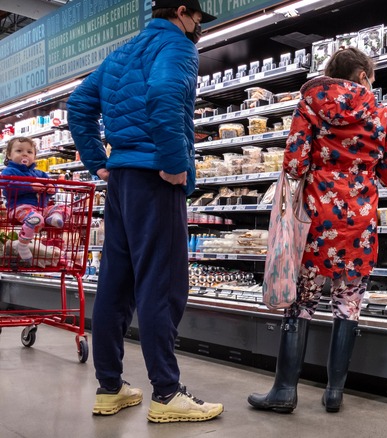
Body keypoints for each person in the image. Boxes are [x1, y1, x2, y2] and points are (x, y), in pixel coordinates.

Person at [67, 0, 223, 423]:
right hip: (155, 178)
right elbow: (164, 93)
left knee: (116, 283)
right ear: (182, 12)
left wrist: (97, 159)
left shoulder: (121, 53)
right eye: (196, 20)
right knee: (162, 283)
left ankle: (110, 387)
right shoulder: (177, 46)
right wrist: (175, 163)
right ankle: (168, 394)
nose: (197, 29)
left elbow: (79, 104)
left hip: (121, 182)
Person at [248, 47, 387, 413]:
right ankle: (334, 393)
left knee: (301, 304)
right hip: (361, 225)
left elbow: (294, 163)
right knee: (348, 307)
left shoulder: (310, 104)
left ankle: (285, 391)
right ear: (362, 75)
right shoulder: (382, 115)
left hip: (317, 222)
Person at [0, 136, 66, 263]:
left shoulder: (40, 174)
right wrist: (29, 187)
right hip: (19, 208)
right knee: (36, 219)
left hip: (41, 208)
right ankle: (23, 245)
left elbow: (50, 183)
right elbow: (7, 186)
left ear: (34, 156)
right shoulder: (8, 171)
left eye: (29, 152)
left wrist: (52, 188)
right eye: (19, 151)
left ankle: (53, 217)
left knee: (63, 208)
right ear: (9, 155)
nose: (25, 154)